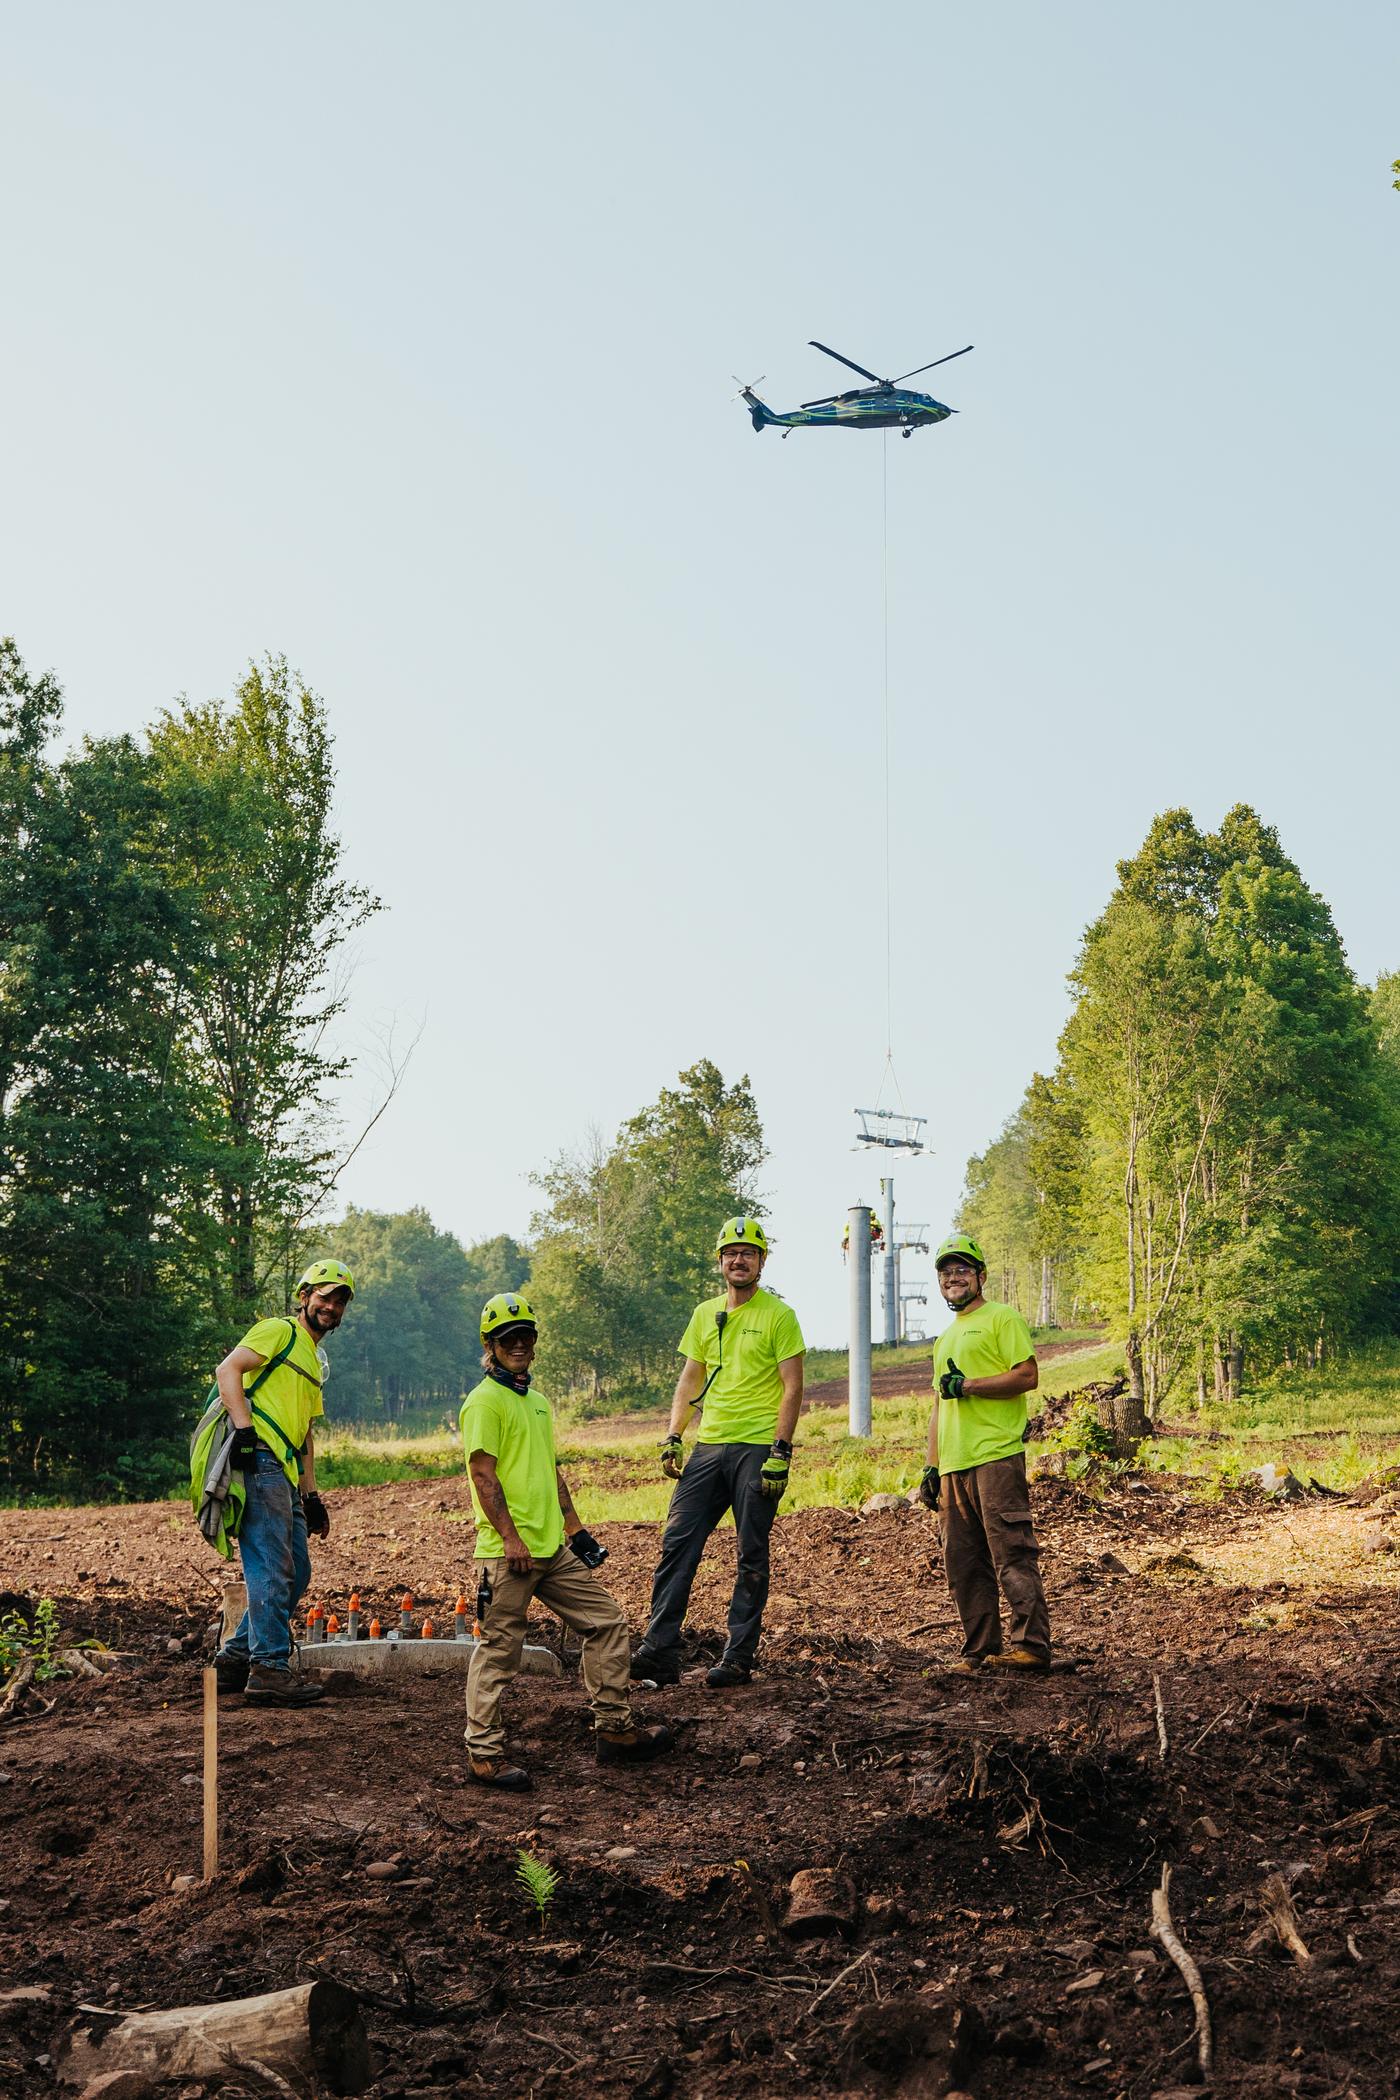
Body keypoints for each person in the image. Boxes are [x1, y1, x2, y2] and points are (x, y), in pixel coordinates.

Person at [461, 1292, 674, 1789]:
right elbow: (483, 1475)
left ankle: (615, 1731)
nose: (518, 1343)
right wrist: (510, 1538)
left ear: (534, 1344)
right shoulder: (484, 1402)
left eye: (525, 1336)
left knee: (606, 1622)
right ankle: (483, 1755)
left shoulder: (536, 1403)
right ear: (490, 1345)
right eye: (507, 1337)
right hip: (507, 1554)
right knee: (498, 1651)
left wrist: (574, 1528)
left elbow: (548, 1469)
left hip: (551, 1550)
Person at [631, 1217, 805, 1691]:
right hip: (709, 1447)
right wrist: (673, 1434)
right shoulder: (705, 1314)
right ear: (720, 1261)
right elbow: (691, 1378)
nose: (738, 1260)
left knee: (750, 1551)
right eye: (730, 1253)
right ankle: (660, 1651)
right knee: (677, 1543)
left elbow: (793, 1386)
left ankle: (737, 1657)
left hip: (756, 1448)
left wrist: (780, 1451)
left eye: (748, 1252)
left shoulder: (779, 1316)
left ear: (762, 1260)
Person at [212, 1258, 355, 1707]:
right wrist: (245, 1432)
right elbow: (228, 1371)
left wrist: (312, 1495)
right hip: (262, 1461)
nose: (330, 1306)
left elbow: (305, 1432)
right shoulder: (279, 1331)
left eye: (339, 1300)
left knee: (297, 1570)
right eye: (324, 1296)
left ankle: (235, 1659)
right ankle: (269, 1669)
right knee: (272, 1566)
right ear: (304, 1296)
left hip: (286, 1472)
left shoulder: (312, 1358)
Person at [919, 1233, 1051, 1673]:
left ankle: (1030, 1646)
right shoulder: (943, 1340)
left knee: (1012, 1553)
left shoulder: (1002, 1318)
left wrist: (971, 1385)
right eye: (946, 1272)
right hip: (954, 1464)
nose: (953, 1278)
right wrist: (931, 1466)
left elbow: (1027, 1376)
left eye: (961, 1270)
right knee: (963, 1563)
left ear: (980, 1276)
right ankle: (980, 1652)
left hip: (995, 1456)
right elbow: (940, 1405)